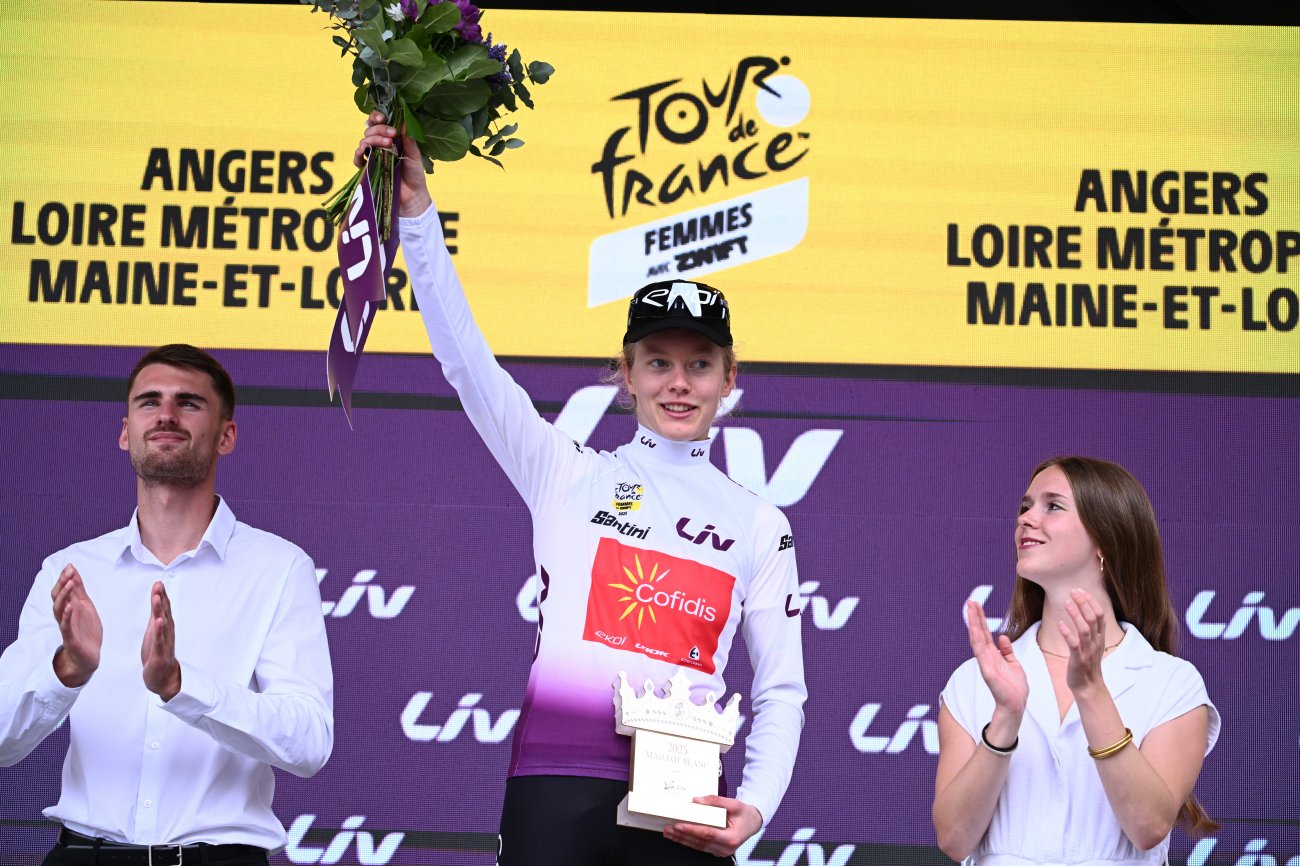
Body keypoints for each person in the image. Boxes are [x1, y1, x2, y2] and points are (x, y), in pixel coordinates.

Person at [355, 113, 806, 864]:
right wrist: (418, 216)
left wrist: (755, 805)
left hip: (686, 799)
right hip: (555, 784)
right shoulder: (568, 473)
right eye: (657, 362)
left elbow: (782, 690)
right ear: (625, 375)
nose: (679, 382)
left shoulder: (760, 524)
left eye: (699, 364)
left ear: (730, 380)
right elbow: (467, 364)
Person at [0, 344, 334, 866]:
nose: (166, 415)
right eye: (149, 401)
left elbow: (309, 742)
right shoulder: (70, 570)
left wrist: (181, 686)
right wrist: (66, 669)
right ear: (125, 431)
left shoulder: (280, 568)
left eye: (189, 402)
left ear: (226, 436)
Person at [932, 455, 1219, 866]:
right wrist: (1006, 719)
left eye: (1053, 506)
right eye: (1025, 507)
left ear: (1106, 541)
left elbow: (1148, 825)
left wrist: (1091, 691)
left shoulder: (1172, 683)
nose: (1026, 519)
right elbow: (954, 839)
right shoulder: (975, 680)